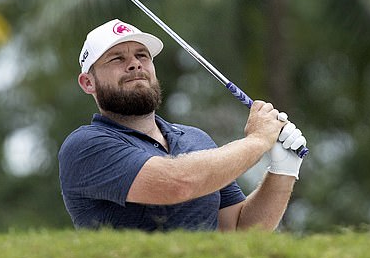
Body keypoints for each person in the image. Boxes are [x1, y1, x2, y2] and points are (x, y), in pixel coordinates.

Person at [58, 19, 307, 231]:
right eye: (116, 58)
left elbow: (239, 229)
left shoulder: (195, 138)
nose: (134, 64)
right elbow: (177, 184)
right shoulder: (84, 147)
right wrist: (258, 141)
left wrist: (283, 169)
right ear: (88, 82)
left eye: (142, 55)